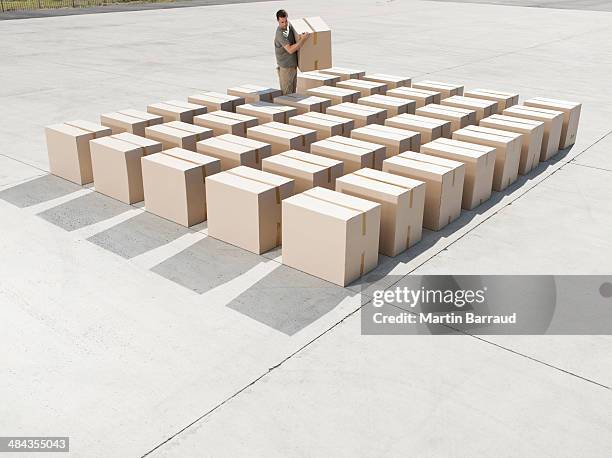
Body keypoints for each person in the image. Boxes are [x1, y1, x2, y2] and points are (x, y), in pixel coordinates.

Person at [274, 9, 309, 95]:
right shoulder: (280, 34)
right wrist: (303, 40)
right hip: (286, 68)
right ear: (278, 21)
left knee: (293, 94)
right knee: (287, 95)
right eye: (282, 22)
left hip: (293, 66)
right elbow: (290, 50)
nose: (285, 24)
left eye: (286, 21)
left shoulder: (289, 27)